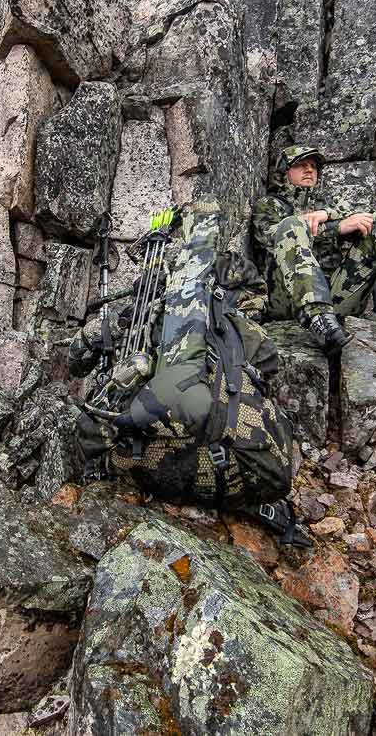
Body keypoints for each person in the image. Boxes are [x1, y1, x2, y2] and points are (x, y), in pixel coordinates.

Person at [69, 201, 307, 546]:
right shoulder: (237, 327)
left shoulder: (148, 317)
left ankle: (106, 470)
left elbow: (77, 361)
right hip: (255, 462)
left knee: (99, 435)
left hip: (188, 453)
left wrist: (100, 334)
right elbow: (268, 361)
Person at [250, 145, 376, 354]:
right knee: (291, 225)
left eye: (313, 166)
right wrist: (335, 227)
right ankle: (317, 318)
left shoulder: (329, 204)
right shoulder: (269, 205)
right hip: (289, 300)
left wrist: (327, 214)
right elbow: (271, 236)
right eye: (301, 165)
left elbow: (361, 216)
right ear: (284, 171)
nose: (310, 170)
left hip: (336, 298)